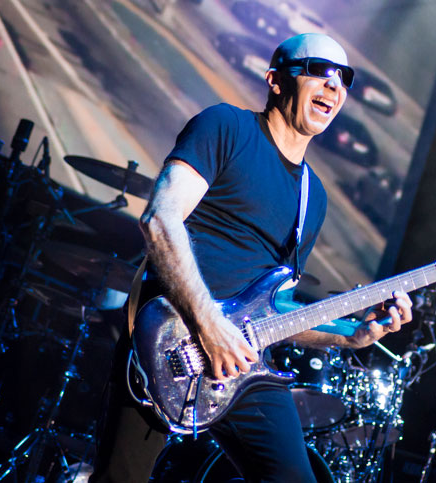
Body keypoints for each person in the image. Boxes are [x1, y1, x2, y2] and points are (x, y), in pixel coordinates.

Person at [90, 32, 412, 482]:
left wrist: (353, 335)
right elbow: (160, 220)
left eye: (344, 78)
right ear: (275, 80)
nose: (334, 86)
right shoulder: (226, 127)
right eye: (318, 71)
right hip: (170, 343)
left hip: (245, 367)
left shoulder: (313, 196)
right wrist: (209, 325)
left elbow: (277, 313)